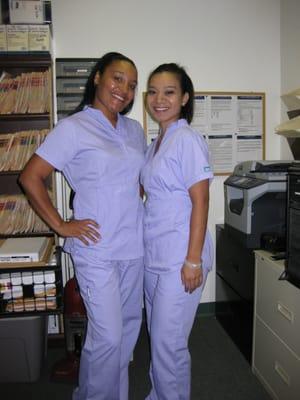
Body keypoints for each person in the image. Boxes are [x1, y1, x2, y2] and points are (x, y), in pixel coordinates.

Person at [19, 52, 146, 400]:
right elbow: (31, 177)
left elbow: (138, 182)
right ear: (97, 77)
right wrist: (61, 225)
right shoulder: (74, 128)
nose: (124, 89)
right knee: (108, 337)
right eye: (117, 79)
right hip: (97, 248)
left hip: (134, 246)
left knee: (125, 334)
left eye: (132, 85)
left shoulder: (134, 130)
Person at [140, 63, 214, 400]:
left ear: (184, 98)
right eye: (153, 91)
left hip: (182, 257)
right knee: (161, 341)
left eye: (169, 92)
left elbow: (201, 200)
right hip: (155, 255)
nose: (159, 99)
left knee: (168, 345)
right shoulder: (157, 141)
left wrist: (193, 261)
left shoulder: (186, 138)